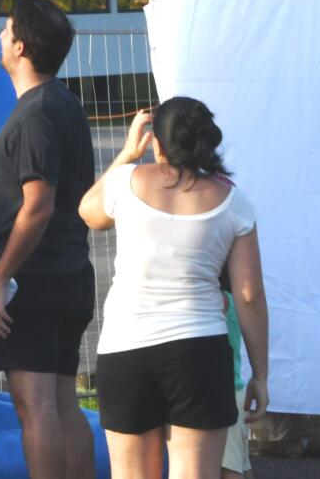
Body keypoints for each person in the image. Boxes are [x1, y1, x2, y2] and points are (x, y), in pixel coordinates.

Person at [78, 98, 268, 479]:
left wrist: (127, 155)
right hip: (199, 350)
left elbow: (88, 211)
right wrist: (260, 376)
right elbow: (248, 295)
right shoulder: (233, 202)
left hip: (126, 347)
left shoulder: (125, 181)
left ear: (157, 143)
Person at [0, 0, 96, 479]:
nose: (0, 36)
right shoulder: (62, 104)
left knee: (36, 409)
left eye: (6, 28)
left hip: (33, 282)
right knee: (62, 404)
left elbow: (39, 206)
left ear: (21, 47)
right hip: (68, 275)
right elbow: (31, 197)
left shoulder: (36, 115)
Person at [220, 290, 251, 479]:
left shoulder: (221, 300)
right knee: (240, 465)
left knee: (229, 469)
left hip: (224, 394)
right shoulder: (232, 300)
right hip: (235, 391)